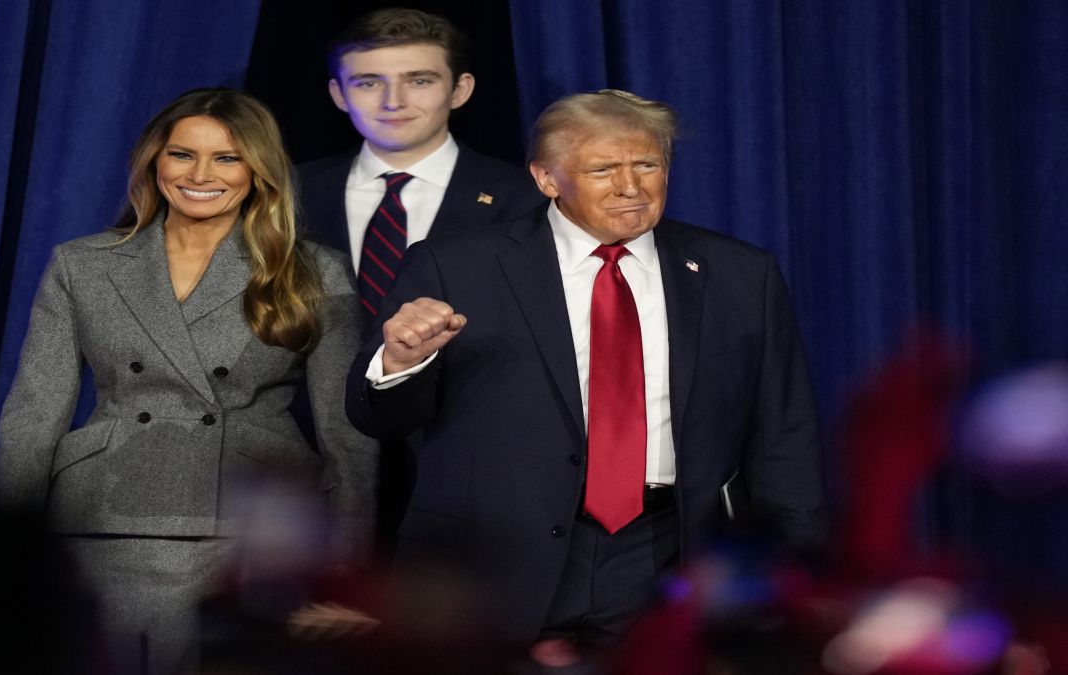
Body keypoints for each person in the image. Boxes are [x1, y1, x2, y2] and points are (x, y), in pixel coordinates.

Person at [345, 90, 829, 648]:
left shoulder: (740, 274)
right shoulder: (456, 264)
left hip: (669, 554)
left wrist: (796, 573)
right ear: (547, 179)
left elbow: (784, 439)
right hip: (496, 562)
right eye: (603, 169)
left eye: (647, 165)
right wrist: (402, 362)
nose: (631, 186)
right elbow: (376, 418)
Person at [0, 88, 377, 673]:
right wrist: (9, 550)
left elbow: (346, 428)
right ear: (154, 161)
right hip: (102, 518)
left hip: (249, 528)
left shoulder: (312, 270)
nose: (201, 174)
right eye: (182, 155)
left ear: (258, 170)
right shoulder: (83, 263)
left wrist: (346, 565)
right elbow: (34, 412)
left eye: (227, 158)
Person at [296, 7, 545, 556]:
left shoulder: (525, 200)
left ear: (461, 89)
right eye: (368, 82)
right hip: (312, 475)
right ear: (338, 94)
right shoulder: (287, 195)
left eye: (419, 80)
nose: (393, 101)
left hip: (462, 467)